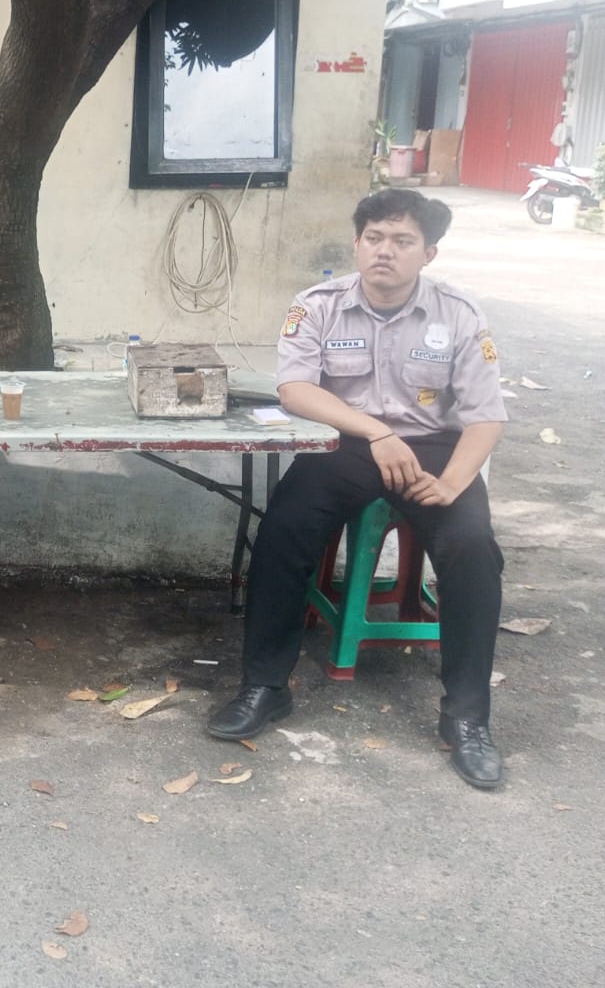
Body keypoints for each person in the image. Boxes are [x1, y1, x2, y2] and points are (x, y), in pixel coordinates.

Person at [206, 189, 508, 789]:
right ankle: (265, 685)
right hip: (347, 442)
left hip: (433, 450)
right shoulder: (318, 305)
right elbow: (295, 390)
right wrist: (376, 433)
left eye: (402, 241)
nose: (384, 251)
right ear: (357, 243)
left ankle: (467, 718)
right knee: (284, 530)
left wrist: (452, 484)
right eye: (374, 238)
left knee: (474, 547)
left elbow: (485, 416)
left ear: (429, 253)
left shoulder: (458, 314)